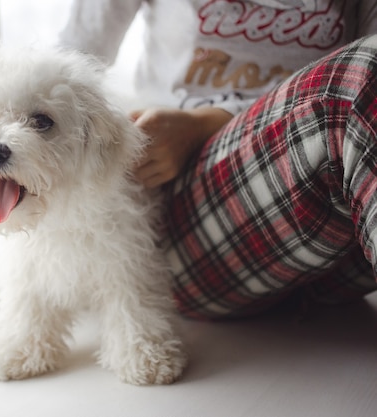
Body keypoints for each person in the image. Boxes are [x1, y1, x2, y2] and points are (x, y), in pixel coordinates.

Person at [59, 0, 377, 319]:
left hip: (344, 245)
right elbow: (64, 74)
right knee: (360, 68)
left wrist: (207, 122)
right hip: (184, 221)